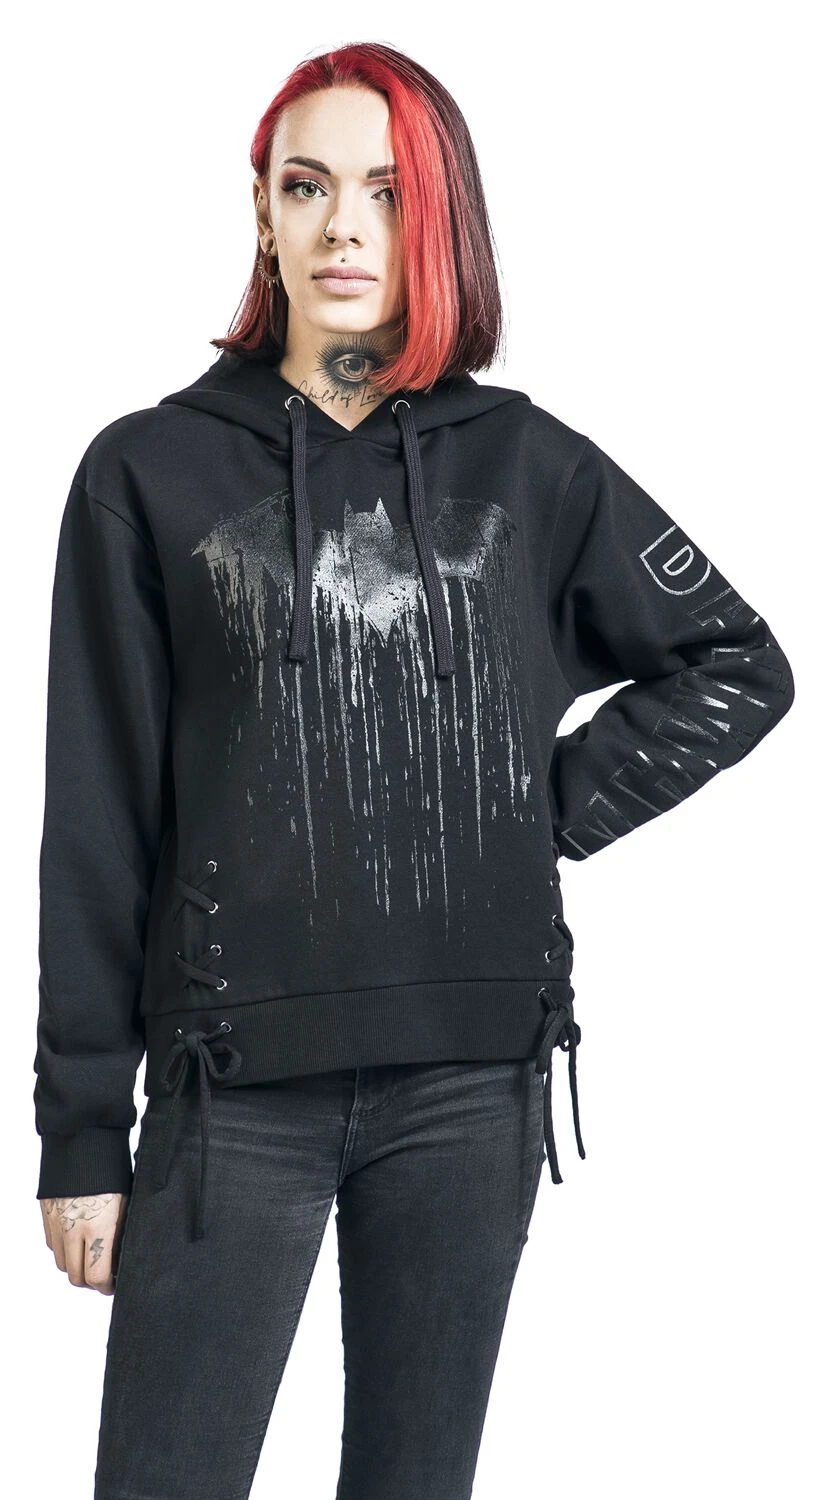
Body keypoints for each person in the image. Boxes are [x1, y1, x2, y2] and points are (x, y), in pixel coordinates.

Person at [32, 40, 795, 1500]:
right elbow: (99, 822)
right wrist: (80, 1130)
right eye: (307, 185)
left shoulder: (529, 464)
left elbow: (736, 663)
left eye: (387, 191)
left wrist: (531, 813)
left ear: (440, 218)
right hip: (232, 1091)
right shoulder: (145, 473)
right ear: (262, 211)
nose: (344, 227)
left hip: (469, 1080)